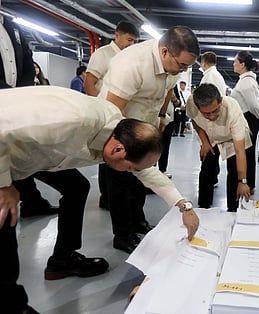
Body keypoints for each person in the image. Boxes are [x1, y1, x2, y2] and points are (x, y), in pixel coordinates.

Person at [0, 85, 199, 314]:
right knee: (5, 216)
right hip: (5, 154)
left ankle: (62, 260)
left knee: (76, 186)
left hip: (29, 155)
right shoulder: (70, 120)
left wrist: (184, 206)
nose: (130, 173)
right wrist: (4, 184)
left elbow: (146, 172)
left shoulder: (119, 133)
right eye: (129, 168)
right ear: (117, 151)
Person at [98, 25, 200, 253]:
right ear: (164, 52)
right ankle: (123, 234)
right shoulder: (132, 64)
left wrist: (161, 117)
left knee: (139, 184)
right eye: (181, 65)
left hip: (144, 129)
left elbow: (168, 93)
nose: (182, 70)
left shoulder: (172, 67)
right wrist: (128, 146)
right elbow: (112, 111)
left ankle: (138, 221)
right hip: (120, 132)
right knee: (121, 184)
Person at [0, 17, 58, 221]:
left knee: (19, 152)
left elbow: (26, 59)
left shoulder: (12, 26)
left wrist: (20, 96)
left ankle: (32, 201)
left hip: (16, 105)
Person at [84, 20, 139, 209]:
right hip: (104, 112)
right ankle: (105, 197)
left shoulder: (129, 57)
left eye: (135, 41)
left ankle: (115, 196)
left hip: (120, 114)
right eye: (129, 40)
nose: (131, 44)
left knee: (117, 155)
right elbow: (89, 82)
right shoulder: (103, 54)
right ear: (117, 35)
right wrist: (100, 108)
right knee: (105, 156)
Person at [186, 83, 251, 212]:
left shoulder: (232, 108)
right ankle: (203, 208)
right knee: (207, 167)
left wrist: (242, 182)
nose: (212, 116)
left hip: (232, 137)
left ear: (220, 101)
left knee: (234, 171)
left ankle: (232, 210)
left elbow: (240, 151)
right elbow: (194, 120)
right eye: (206, 113)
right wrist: (205, 142)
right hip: (211, 137)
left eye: (215, 111)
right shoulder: (191, 103)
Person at [230, 50, 259, 194]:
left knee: (247, 153)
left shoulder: (247, 82)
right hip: (248, 118)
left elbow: (254, 105)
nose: (233, 64)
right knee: (248, 152)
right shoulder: (245, 79)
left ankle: (248, 184)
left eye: (235, 61)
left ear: (242, 64)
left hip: (249, 119)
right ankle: (250, 183)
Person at [199, 51, 227, 187]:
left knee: (208, 152)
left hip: (209, 120)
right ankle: (213, 177)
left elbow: (203, 102)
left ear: (203, 63)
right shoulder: (218, 76)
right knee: (214, 151)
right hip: (217, 118)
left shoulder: (208, 77)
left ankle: (209, 181)